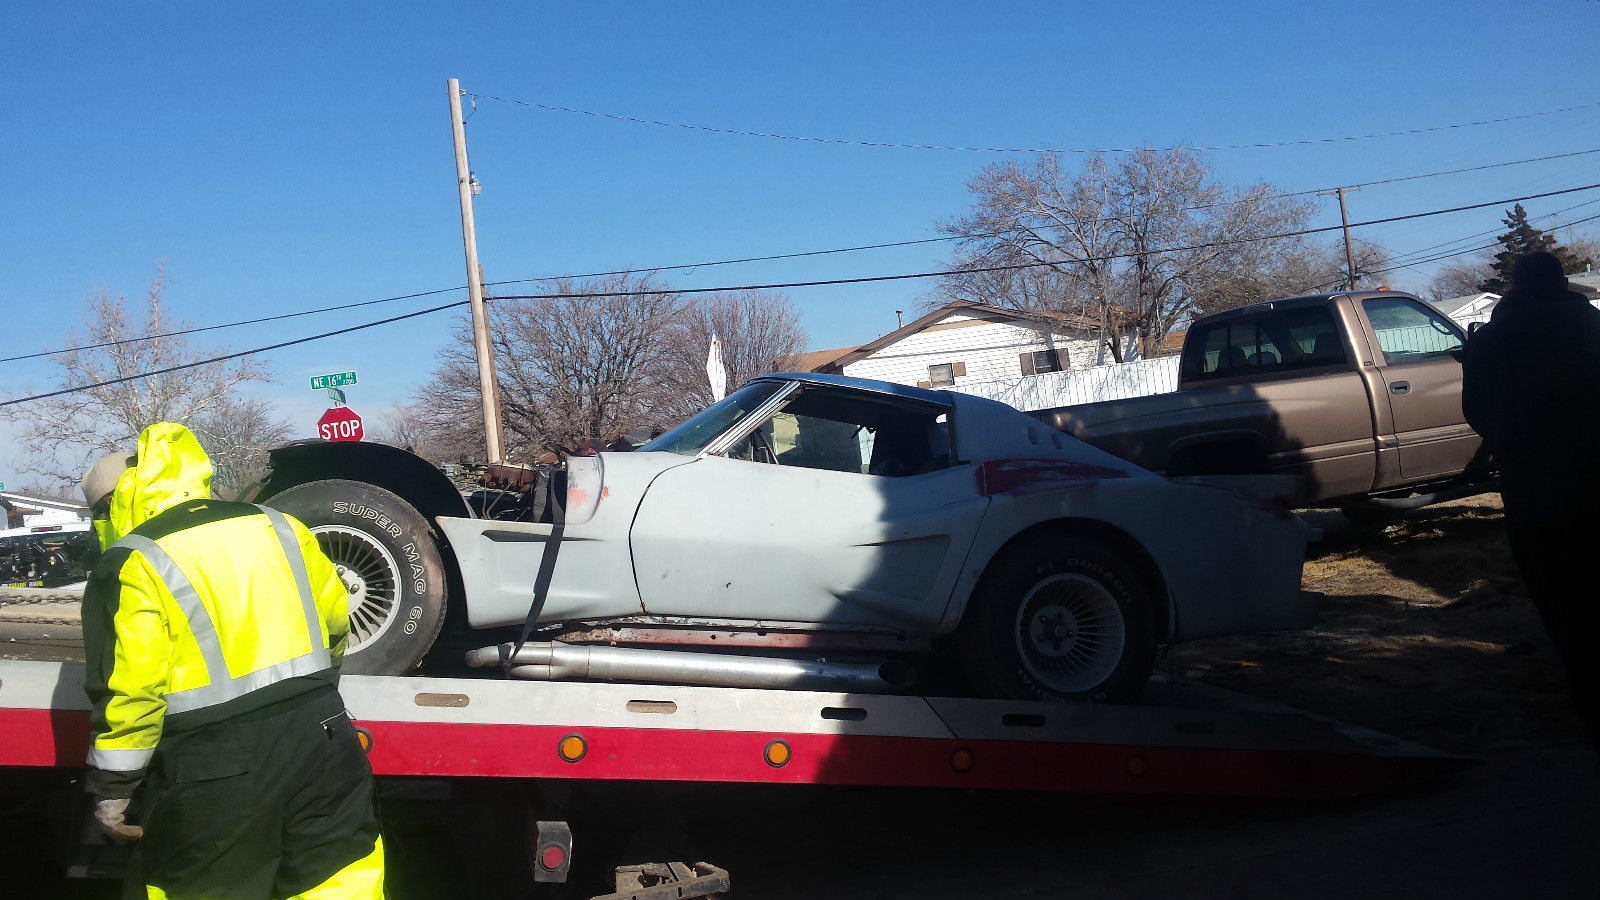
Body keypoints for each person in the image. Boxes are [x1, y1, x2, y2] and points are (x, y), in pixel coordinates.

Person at [80, 422, 385, 899]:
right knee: (338, 883)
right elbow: (335, 620)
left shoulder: (132, 561)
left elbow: (133, 691)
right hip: (325, 741)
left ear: (112, 506)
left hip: (214, 765)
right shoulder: (278, 525)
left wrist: (114, 790)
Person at [1461, 250, 1600, 760]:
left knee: (1564, 605)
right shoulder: (1592, 325)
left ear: (1516, 286)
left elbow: (1478, 412)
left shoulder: (1493, 339)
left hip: (1534, 490)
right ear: (1562, 282)